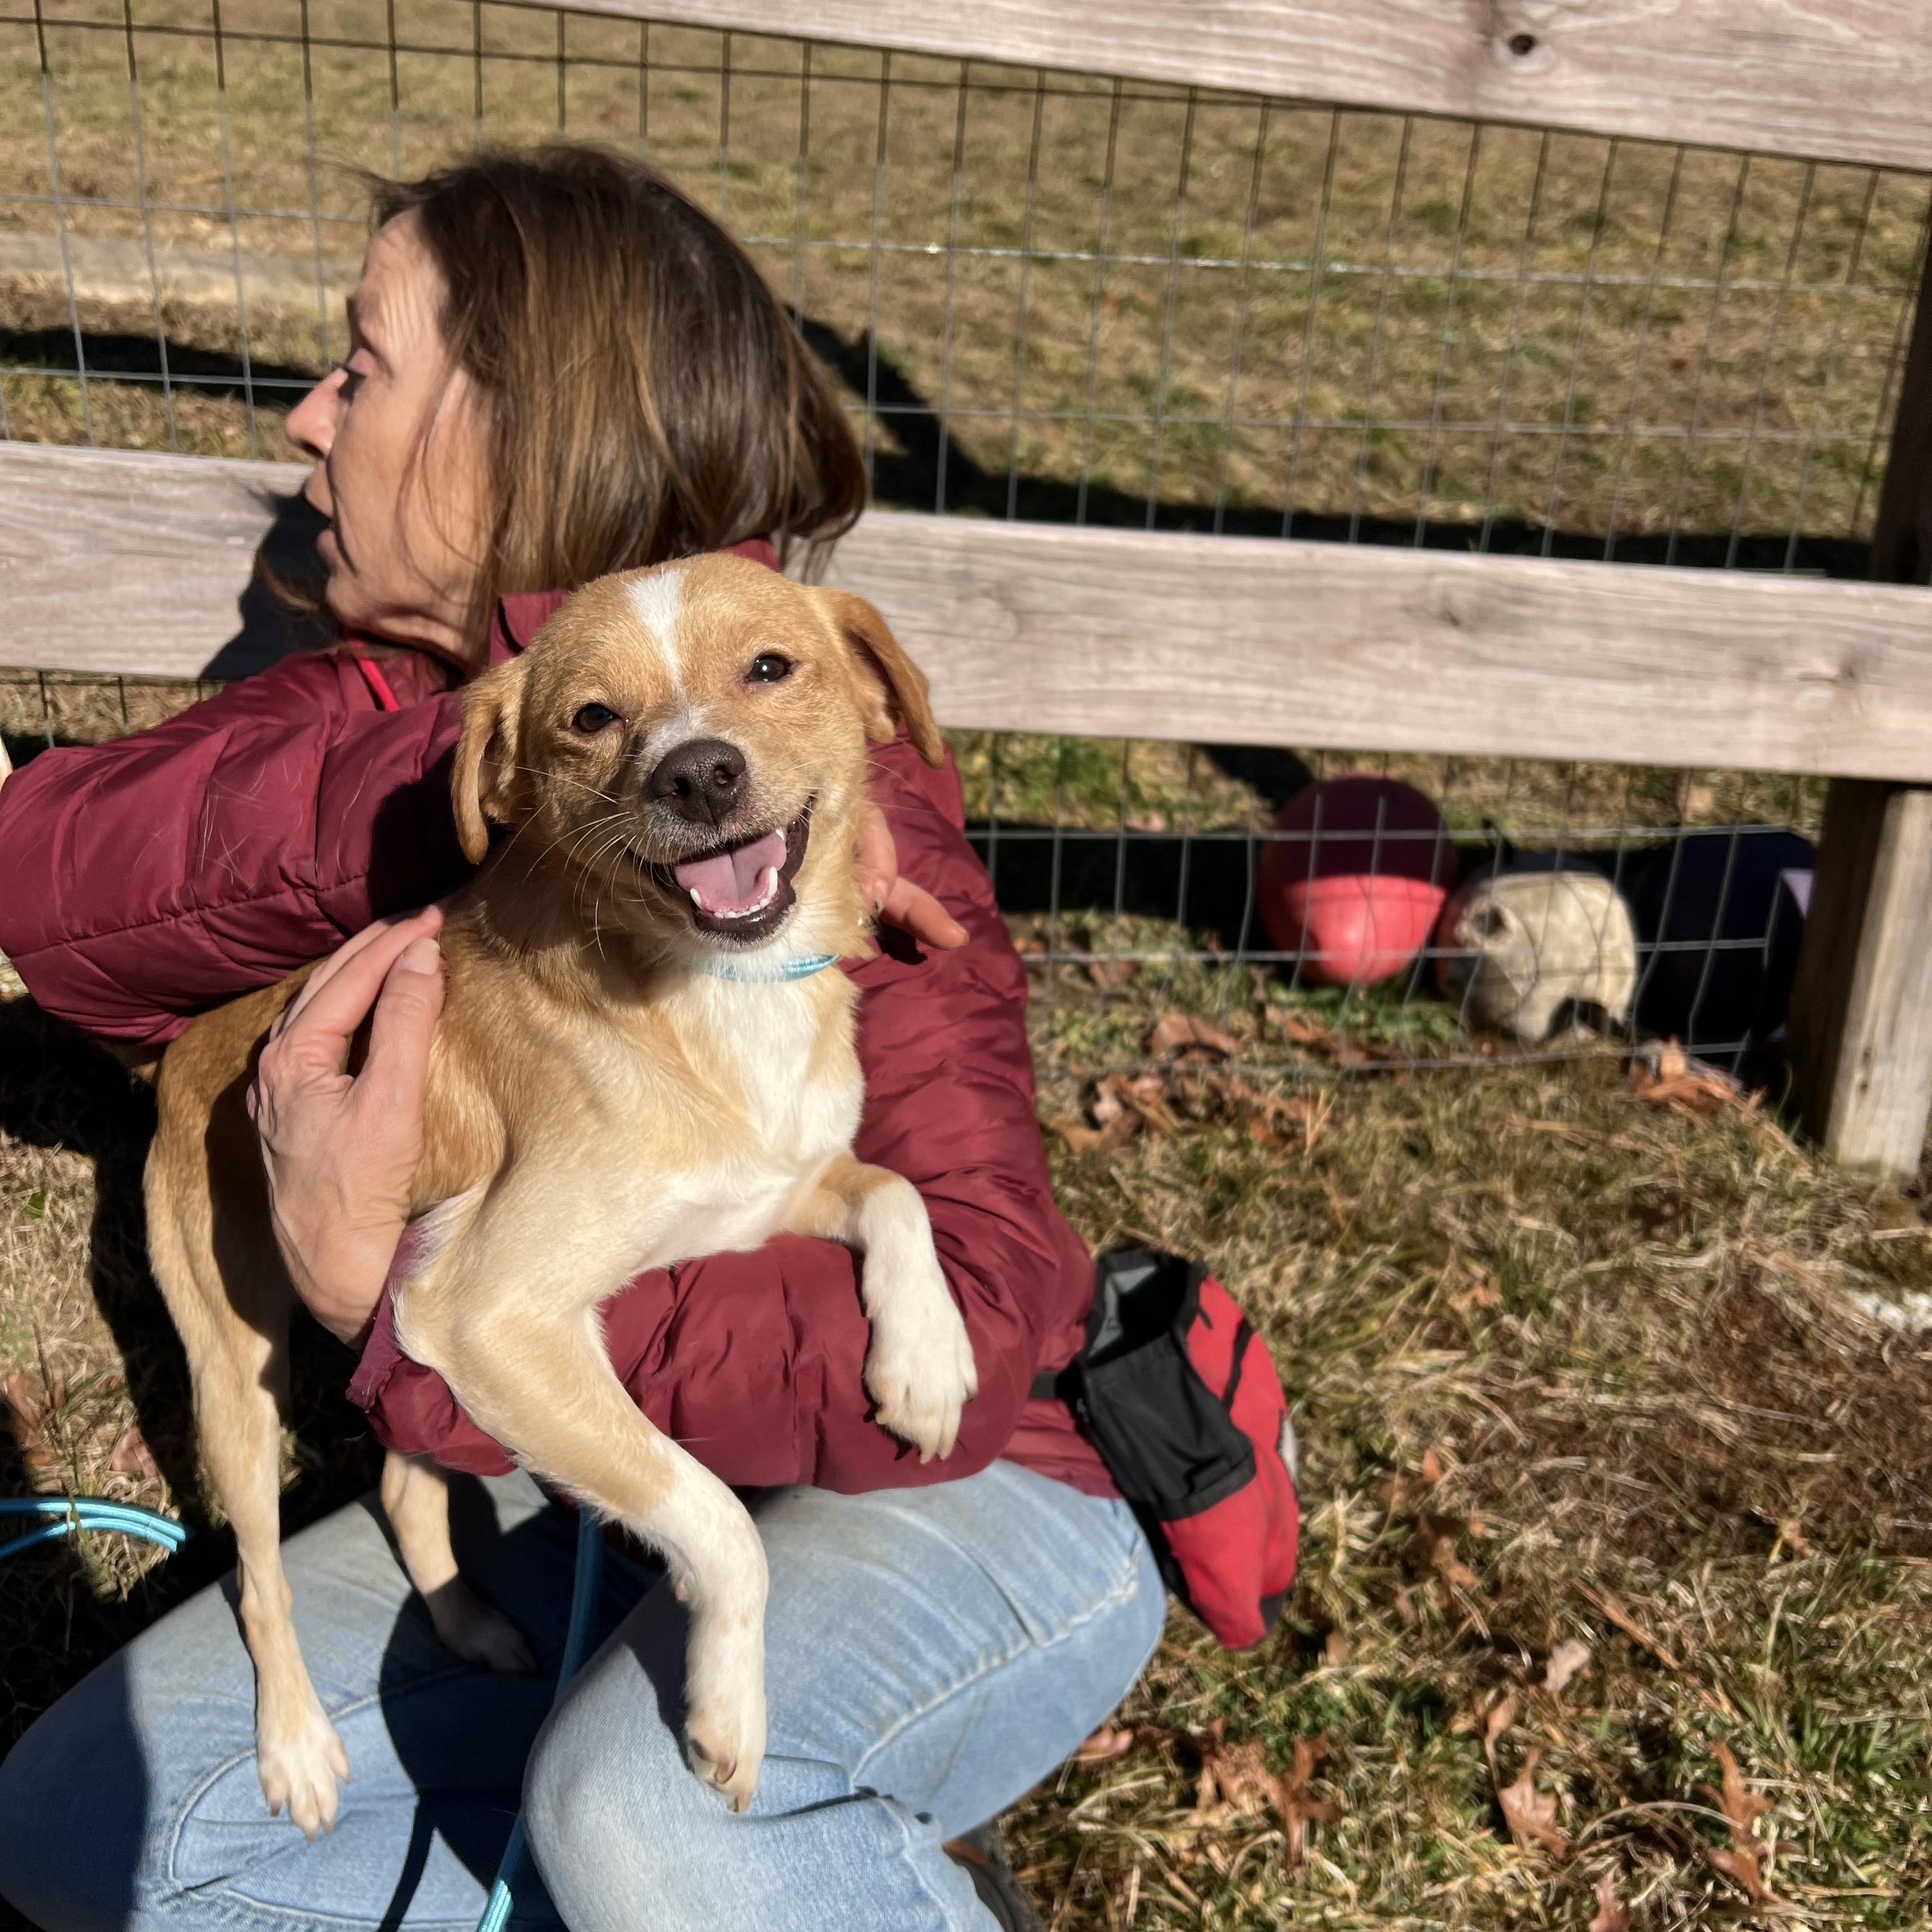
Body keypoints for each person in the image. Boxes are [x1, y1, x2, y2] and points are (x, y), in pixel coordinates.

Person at [0, 148, 1163, 1932]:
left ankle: (806, 1855)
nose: (308, 418)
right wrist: (483, 770)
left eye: (363, 368)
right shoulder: (425, 714)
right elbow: (52, 891)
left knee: (638, 1821)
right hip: (579, 1477)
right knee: (94, 1829)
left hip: (997, 1489)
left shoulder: (811, 787)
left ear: (526, 439)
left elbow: (984, 1337)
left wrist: (395, 1309)